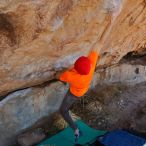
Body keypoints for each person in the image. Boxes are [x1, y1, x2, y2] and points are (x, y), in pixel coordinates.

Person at [57, 12, 116, 142]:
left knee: (63, 110)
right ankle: (76, 128)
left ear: (76, 68)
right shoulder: (90, 66)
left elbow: (60, 76)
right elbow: (101, 41)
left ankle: (76, 129)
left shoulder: (71, 76)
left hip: (74, 93)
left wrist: (61, 74)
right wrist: (111, 21)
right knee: (68, 97)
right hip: (83, 89)